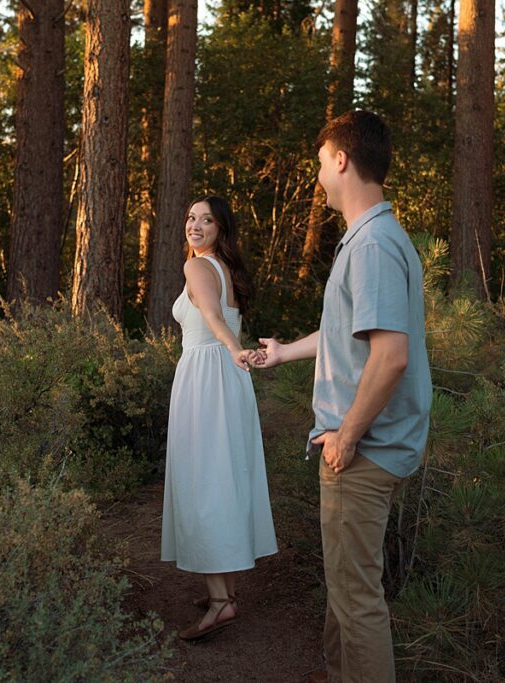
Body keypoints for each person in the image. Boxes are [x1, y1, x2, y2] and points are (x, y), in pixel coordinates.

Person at [253, 111, 432, 682]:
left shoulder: (374, 244)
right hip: (359, 446)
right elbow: (347, 335)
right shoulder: (368, 238)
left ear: (341, 159)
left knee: (357, 599)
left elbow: (391, 357)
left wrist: (346, 435)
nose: (318, 176)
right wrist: (283, 352)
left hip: (364, 450)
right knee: (344, 586)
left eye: (320, 162)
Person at [160, 194, 278, 641]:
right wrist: (237, 354)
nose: (195, 225)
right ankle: (223, 589)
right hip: (226, 378)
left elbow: (210, 316)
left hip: (207, 376)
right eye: (191, 217)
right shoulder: (224, 269)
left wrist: (233, 349)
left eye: (206, 220)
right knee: (222, 478)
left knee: (201, 481)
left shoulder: (197, 267)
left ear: (220, 230)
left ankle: (221, 602)